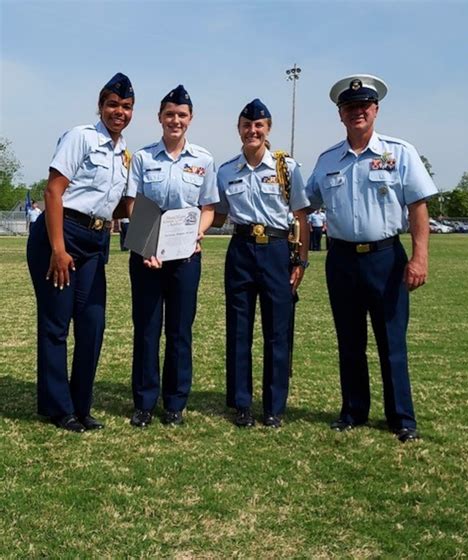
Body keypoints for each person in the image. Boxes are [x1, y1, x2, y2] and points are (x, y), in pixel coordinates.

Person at [306, 74, 437, 442]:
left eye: (364, 105)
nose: (357, 112)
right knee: (349, 340)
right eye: (350, 107)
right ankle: (353, 411)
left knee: (391, 340)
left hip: (386, 259)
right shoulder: (328, 159)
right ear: (340, 115)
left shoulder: (399, 153)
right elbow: (305, 201)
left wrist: (419, 257)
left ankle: (402, 418)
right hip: (342, 259)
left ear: (375, 109)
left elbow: (418, 206)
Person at [27, 72, 135, 432]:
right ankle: (60, 409)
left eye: (126, 107)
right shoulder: (81, 137)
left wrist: (159, 219)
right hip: (61, 235)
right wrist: (58, 249)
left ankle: (81, 405)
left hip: (94, 242)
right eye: (113, 105)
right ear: (101, 106)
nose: (119, 112)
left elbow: (117, 208)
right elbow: (53, 192)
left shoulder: (124, 154)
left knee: (92, 324)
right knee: (57, 324)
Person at [124, 85, 219, 428]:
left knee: (180, 331)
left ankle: (175, 403)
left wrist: (198, 233)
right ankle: (144, 403)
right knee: (147, 329)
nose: (175, 120)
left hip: (185, 258)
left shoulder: (203, 160)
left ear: (190, 119)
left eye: (181, 115)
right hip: (147, 257)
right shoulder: (143, 157)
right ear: (160, 118)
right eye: (169, 114)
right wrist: (146, 246)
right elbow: (133, 203)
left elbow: (208, 208)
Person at [214, 98, 310, 428]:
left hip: (277, 251)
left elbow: (300, 216)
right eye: (246, 125)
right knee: (239, 330)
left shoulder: (286, 168)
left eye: (259, 126)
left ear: (268, 130)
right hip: (240, 250)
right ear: (238, 129)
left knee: (277, 332)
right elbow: (216, 214)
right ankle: (241, 403)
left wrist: (301, 261)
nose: (252, 130)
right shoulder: (226, 171)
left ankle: (273, 406)